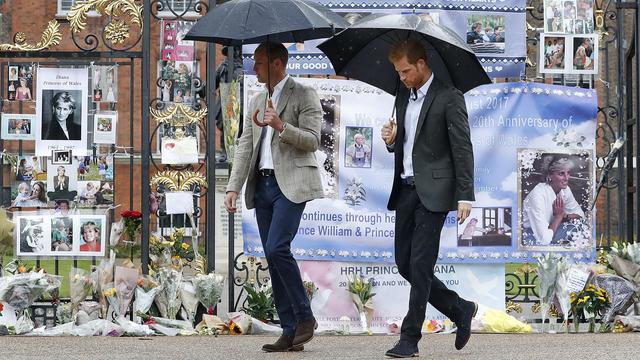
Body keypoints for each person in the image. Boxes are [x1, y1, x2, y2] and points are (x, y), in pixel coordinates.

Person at [380, 39, 476, 358]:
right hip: (405, 190)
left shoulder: (449, 97)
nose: (402, 76)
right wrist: (392, 141)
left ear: (421, 64)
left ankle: (410, 338)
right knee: (404, 264)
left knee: (420, 264)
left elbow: (462, 148)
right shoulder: (403, 97)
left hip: (434, 194)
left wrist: (465, 195)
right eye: (398, 71)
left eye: (406, 70)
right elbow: (406, 145)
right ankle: (460, 308)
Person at [224, 41, 322, 353]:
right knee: (272, 255)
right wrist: (232, 187)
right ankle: (290, 329)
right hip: (262, 185)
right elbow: (244, 146)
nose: (254, 68)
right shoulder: (256, 97)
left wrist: (281, 125)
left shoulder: (304, 94)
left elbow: (313, 140)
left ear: (278, 64)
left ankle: (305, 317)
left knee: (279, 247)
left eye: (260, 62)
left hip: (290, 184)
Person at [522, 156, 585, 246]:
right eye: (561, 174)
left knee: (582, 226)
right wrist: (558, 217)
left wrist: (565, 215)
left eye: (568, 173)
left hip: (551, 230)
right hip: (532, 236)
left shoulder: (565, 190)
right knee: (576, 232)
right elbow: (544, 240)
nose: (566, 178)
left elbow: (580, 216)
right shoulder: (538, 195)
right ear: (549, 175)